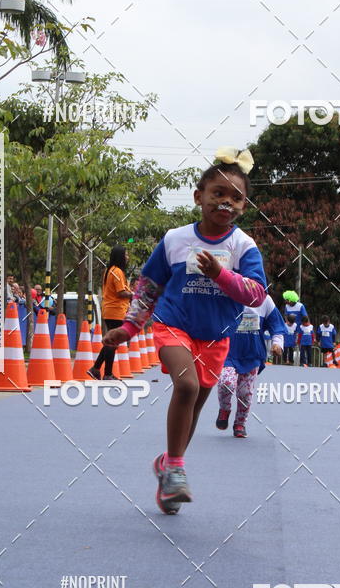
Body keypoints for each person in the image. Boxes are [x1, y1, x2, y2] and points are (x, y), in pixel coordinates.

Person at [101, 150, 267, 514]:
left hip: (216, 336)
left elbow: (256, 294)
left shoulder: (243, 246)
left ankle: (168, 466)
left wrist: (221, 275)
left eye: (236, 197)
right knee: (187, 386)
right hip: (173, 325)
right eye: (218, 193)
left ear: (244, 206)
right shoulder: (175, 239)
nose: (226, 202)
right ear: (198, 196)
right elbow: (149, 287)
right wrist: (129, 327)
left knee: (194, 405)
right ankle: (177, 468)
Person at [216, 295, 284, 437]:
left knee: (245, 393)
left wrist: (277, 343)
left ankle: (240, 423)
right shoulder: (225, 293)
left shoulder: (264, 299)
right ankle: (224, 409)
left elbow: (276, 324)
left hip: (252, 354)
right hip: (228, 352)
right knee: (226, 382)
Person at [88, 245, 133, 380]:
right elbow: (121, 293)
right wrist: (133, 295)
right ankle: (106, 373)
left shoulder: (110, 271)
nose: (127, 257)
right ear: (120, 256)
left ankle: (97, 369)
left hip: (112, 310)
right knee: (112, 342)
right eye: (125, 255)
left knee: (111, 342)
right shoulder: (117, 272)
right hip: (115, 310)